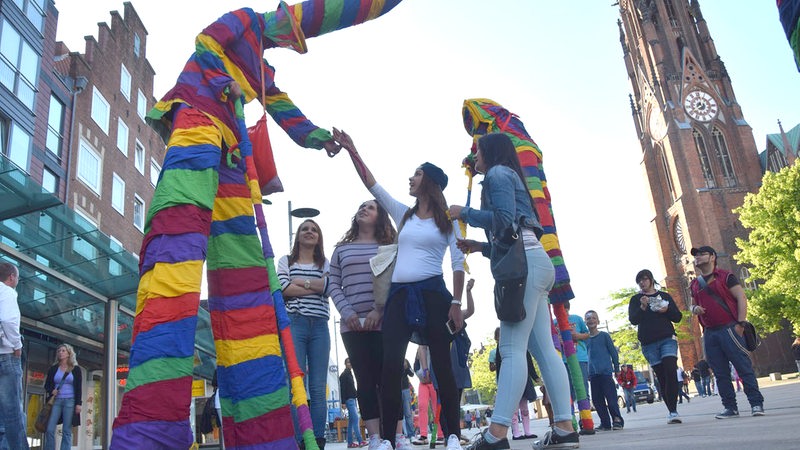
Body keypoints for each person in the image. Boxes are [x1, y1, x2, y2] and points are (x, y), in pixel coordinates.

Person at [335, 129, 466, 450]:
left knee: (443, 367)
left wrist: (457, 302)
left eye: (417, 174)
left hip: (435, 295)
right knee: (391, 364)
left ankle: (452, 434)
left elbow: (458, 262)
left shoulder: (448, 220)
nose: (411, 178)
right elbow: (372, 184)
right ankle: (390, 440)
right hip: (399, 296)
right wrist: (352, 149)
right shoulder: (403, 215)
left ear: (430, 182)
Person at [450, 132, 578, 450]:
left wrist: (462, 212)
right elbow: (514, 235)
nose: (474, 157)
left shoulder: (496, 174)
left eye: (478, 151)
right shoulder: (511, 176)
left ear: (490, 152)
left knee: (510, 349)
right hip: (536, 263)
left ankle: (495, 434)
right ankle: (564, 427)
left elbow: (505, 223)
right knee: (544, 350)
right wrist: (480, 246)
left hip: (524, 270)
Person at [329, 200, 398, 450]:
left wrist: (378, 311)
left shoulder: (389, 247)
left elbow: (396, 281)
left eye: (370, 207)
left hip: (385, 323)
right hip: (352, 326)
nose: (363, 209)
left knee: (389, 379)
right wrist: (346, 312)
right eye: (361, 207)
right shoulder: (341, 249)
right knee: (364, 380)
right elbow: (333, 284)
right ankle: (375, 439)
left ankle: (397, 436)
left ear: (380, 216)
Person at [688, 246, 765, 419]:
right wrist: (695, 309)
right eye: (696, 256)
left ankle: (756, 404)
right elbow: (691, 305)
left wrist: (740, 324)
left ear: (712, 257)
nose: (697, 258)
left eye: (702, 254)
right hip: (709, 333)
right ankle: (730, 407)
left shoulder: (725, 276)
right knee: (720, 373)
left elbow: (741, 297)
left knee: (743, 368)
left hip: (730, 328)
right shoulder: (694, 283)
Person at [278, 219, 332, 449]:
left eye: (314, 230)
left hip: (320, 326)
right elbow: (283, 288)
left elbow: (329, 287)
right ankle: (300, 441)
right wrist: (314, 284)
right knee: (296, 385)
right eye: (305, 229)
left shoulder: (326, 263)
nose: (309, 232)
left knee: (319, 387)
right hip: (295, 324)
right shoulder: (285, 261)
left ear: (319, 237)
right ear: (297, 236)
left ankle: (317, 440)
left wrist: (300, 282)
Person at [628, 269, 683, 424]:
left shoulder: (664, 296)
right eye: (639, 281)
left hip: (667, 338)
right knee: (662, 377)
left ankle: (673, 411)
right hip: (649, 343)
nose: (642, 283)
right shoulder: (635, 299)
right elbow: (633, 320)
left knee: (671, 370)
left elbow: (677, 317)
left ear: (651, 280)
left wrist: (667, 310)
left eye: (645, 279)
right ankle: (672, 410)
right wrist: (642, 307)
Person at [0, 262, 29, 450]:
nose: (17, 281)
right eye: (17, 277)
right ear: (11, 277)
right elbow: (8, 320)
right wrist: (17, 346)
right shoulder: (7, 292)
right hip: (6, 355)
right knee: (13, 411)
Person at [584, 310, 623, 431]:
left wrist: (616, 368)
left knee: (611, 399)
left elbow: (613, 353)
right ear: (585, 322)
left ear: (598, 321)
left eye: (593, 318)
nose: (591, 320)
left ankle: (617, 420)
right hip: (592, 374)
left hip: (605, 373)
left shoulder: (604, 336)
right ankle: (605, 423)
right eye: (588, 318)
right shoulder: (584, 339)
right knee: (597, 400)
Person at [44, 343, 82, 450]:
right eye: (59, 351)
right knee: (50, 429)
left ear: (69, 353)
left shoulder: (76, 369)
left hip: (70, 401)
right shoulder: (53, 369)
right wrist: (52, 390)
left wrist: (79, 404)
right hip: (56, 401)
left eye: (63, 351)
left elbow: (79, 387)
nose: (61, 353)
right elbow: (47, 385)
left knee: (66, 430)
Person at [558, 301, 590, 405]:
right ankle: (572, 417)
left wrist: (578, 336)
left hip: (580, 358)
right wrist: (558, 340)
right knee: (568, 388)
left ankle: (585, 416)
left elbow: (588, 334)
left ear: (568, 309)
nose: (563, 313)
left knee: (583, 386)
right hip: (564, 360)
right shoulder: (554, 323)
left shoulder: (577, 319)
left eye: (565, 310)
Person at [340, 359, 364, 448]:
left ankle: (350, 443)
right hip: (349, 400)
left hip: (353, 399)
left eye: (351, 362)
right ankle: (360, 441)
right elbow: (343, 389)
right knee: (356, 419)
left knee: (351, 422)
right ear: (345, 364)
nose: (350, 364)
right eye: (348, 362)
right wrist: (343, 402)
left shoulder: (350, 374)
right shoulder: (344, 375)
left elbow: (351, 388)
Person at [401, 360, 416, 439]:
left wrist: (407, 367)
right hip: (395, 390)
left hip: (405, 390)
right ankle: (401, 434)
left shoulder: (405, 361)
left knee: (408, 413)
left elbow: (412, 374)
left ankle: (411, 434)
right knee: (398, 414)